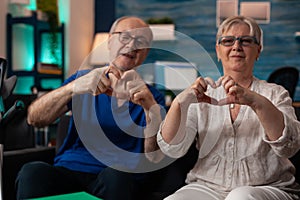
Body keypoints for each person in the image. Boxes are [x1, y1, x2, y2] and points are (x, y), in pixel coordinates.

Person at [16, 16, 165, 200]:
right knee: (32, 172)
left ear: (145, 52)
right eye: (125, 37)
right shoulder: (83, 79)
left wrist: (149, 107)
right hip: (71, 169)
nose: (132, 45)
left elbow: (153, 156)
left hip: (118, 177)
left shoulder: (152, 97)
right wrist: (73, 87)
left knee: (118, 176)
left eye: (140, 41)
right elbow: (34, 118)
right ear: (110, 41)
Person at [157, 15, 300, 200]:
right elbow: (172, 149)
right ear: (217, 51)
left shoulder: (275, 93)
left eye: (246, 41)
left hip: (268, 186)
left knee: (240, 197)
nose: (236, 46)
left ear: (258, 50)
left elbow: (289, 146)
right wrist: (179, 103)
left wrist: (254, 100)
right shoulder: (202, 95)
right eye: (227, 41)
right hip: (207, 186)